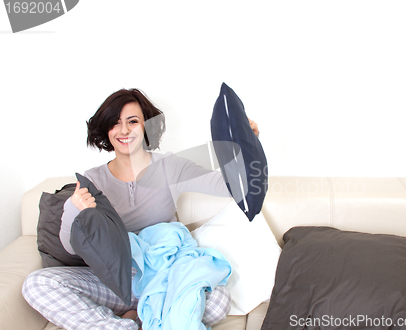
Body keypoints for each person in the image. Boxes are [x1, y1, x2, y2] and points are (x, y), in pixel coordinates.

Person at [22, 88, 260, 330]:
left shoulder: (170, 167)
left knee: (219, 301)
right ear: (106, 130)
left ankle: (140, 315)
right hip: (116, 282)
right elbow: (71, 247)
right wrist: (74, 209)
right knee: (37, 284)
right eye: (115, 123)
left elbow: (233, 188)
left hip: (165, 278)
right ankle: (125, 325)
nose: (124, 130)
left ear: (146, 126)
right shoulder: (92, 179)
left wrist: (248, 146)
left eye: (132, 121)